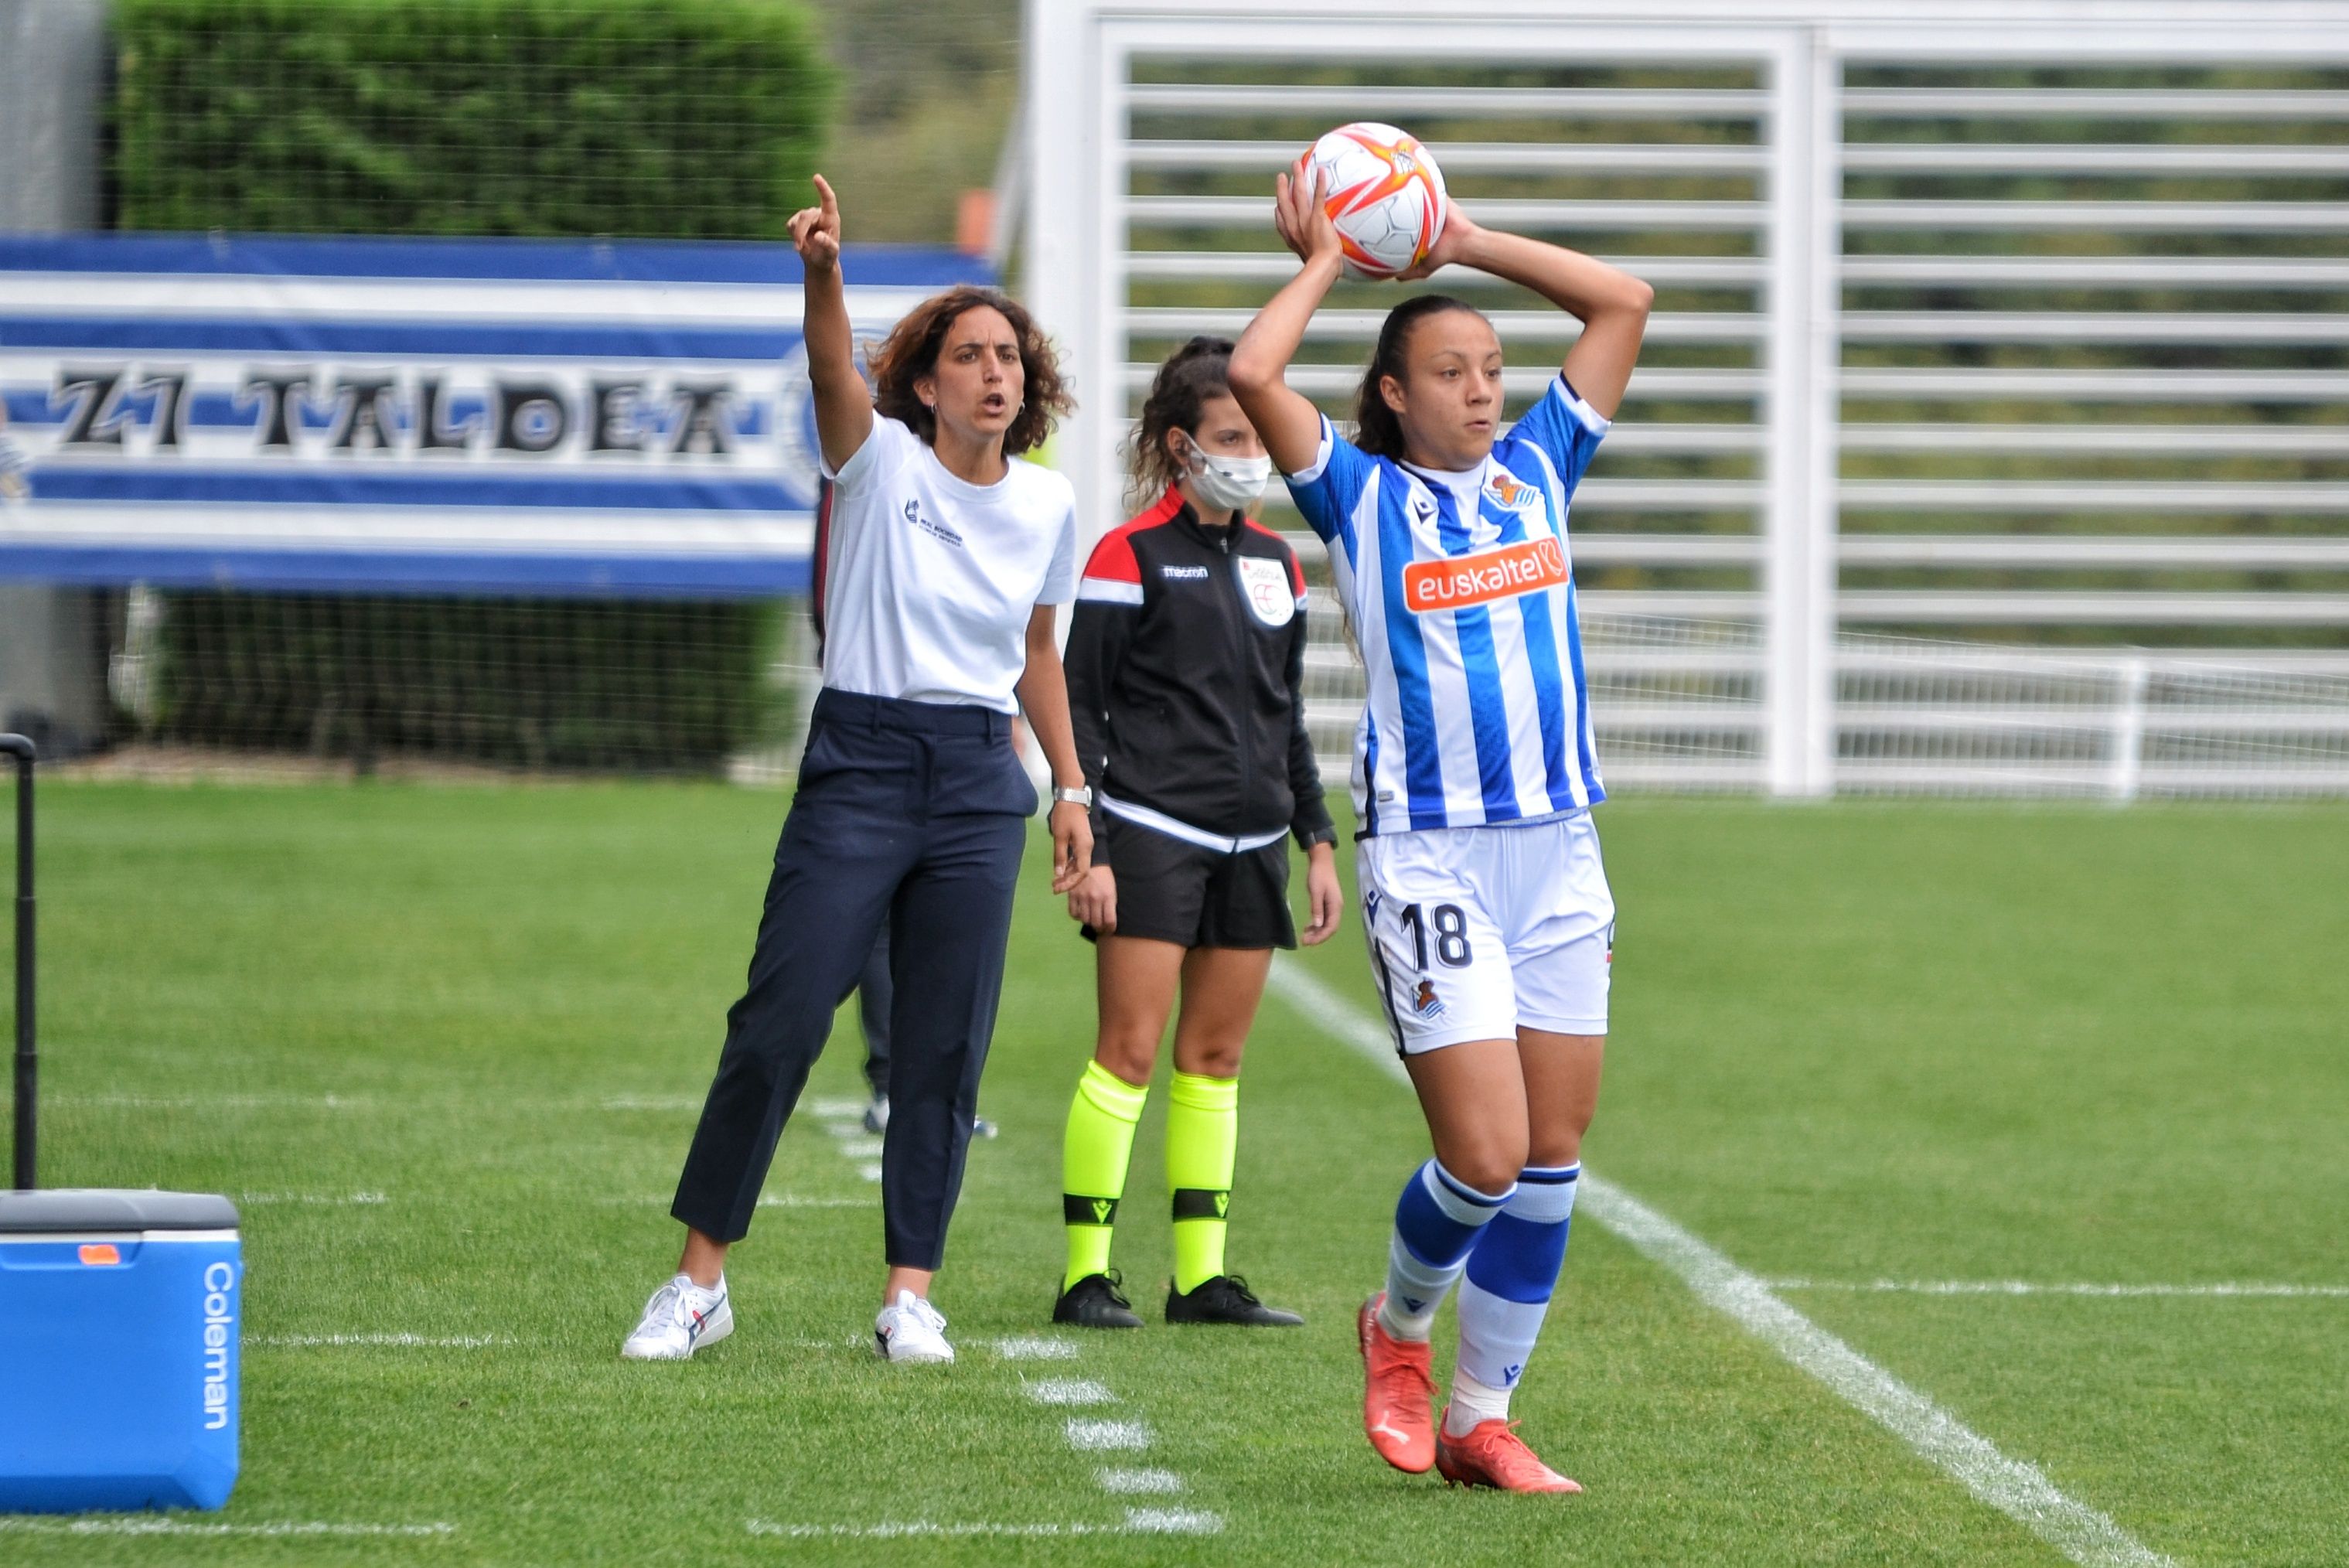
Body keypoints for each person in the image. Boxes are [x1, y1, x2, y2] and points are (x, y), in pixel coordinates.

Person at [1227, 160, 1652, 1491]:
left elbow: (1622, 300)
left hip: (1557, 851)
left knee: (1550, 1162)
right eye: (1452, 370)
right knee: (1480, 1151)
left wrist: (1458, 234)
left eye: (1492, 367)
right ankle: (1396, 1328)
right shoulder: (1358, 497)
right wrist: (1333, 261)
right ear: (1394, 395)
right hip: (1430, 855)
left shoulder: (1538, 470)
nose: (1482, 387)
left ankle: (1482, 1413)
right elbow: (1253, 375)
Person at [622, 176, 1093, 1365]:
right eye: (971, 356)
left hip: (983, 781)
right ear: (926, 382)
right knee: (778, 1022)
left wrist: (1073, 792)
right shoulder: (877, 461)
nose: (997, 373)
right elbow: (833, 371)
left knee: (944, 1047)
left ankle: (908, 1297)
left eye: (1011, 358)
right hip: (862, 762)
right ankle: (698, 1285)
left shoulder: (1051, 503)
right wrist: (822, 271)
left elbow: (1037, 656)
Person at [1052, 336, 1344, 1331]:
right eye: (1230, 436)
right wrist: (1084, 832)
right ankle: (1085, 1276)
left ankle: (1199, 1281)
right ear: (1180, 447)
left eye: (1258, 434)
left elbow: (1284, 711)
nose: (1250, 452)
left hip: (1253, 843)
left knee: (1213, 1061)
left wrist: (1314, 839)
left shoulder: (1277, 564)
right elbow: (1079, 705)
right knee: (1126, 1052)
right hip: (1147, 834)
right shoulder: (1124, 555)